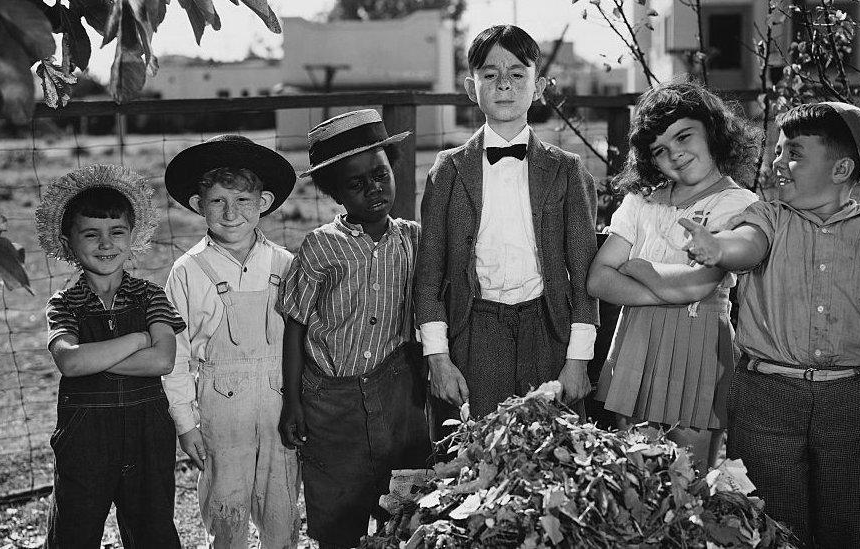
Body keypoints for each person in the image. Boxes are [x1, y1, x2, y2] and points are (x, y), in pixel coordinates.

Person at [682, 101, 860, 548]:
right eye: (777, 150)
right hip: (768, 399)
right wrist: (716, 247)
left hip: (858, 401)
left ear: (842, 168)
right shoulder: (767, 217)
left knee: (858, 529)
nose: (778, 162)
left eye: (795, 153)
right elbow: (746, 246)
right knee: (771, 529)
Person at [415, 25, 599, 427]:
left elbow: (585, 275)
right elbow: (429, 274)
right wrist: (439, 358)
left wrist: (578, 360)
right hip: (475, 332)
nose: (503, 86)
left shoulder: (567, 171)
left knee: (553, 454)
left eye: (517, 74)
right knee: (477, 451)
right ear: (470, 86)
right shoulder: (448, 170)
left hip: (549, 331)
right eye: (490, 75)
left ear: (539, 87)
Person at [586, 80, 759, 472]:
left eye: (684, 136)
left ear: (713, 131)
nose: (675, 154)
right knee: (634, 476)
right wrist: (668, 290)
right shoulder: (642, 201)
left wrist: (638, 268)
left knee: (691, 479)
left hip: (699, 349)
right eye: (660, 150)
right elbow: (598, 279)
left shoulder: (736, 203)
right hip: (637, 343)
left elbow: (698, 283)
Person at [277, 109, 431, 549]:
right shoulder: (321, 247)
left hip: (398, 390)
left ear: (394, 167)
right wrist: (293, 402)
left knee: (404, 504)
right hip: (330, 401)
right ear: (334, 193)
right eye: (356, 184)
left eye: (380, 174)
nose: (374, 189)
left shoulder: (414, 239)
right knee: (336, 510)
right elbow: (295, 325)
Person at [162, 135, 301, 548]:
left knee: (281, 507)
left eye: (242, 200)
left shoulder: (285, 264)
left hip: (279, 405)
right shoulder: (187, 272)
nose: (231, 212)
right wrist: (186, 424)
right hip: (221, 408)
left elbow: (303, 342)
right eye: (218, 201)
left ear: (264, 202)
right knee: (226, 510)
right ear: (197, 205)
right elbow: (176, 356)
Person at [38, 164, 185, 547]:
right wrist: (138, 338)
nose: (106, 244)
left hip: (147, 432)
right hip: (84, 438)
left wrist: (95, 359)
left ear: (131, 237)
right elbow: (70, 362)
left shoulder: (151, 295)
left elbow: (163, 361)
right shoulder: (64, 304)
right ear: (69, 242)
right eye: (91, 234)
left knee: (153, 531)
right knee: (75, 531)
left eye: (116, 232)